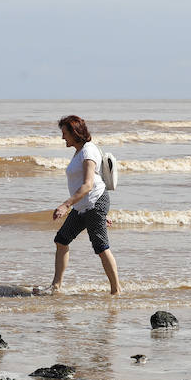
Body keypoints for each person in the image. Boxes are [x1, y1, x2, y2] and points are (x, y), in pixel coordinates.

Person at [50, 115, 121, 295]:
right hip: (84, 206)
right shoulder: (79, 151)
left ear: (75, 133)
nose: (63, 137)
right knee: (61, 240)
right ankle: (56, 286)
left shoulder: (88, 151)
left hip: (94, 202)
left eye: (65, 133)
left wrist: (65, 205)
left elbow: (89, 184)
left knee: (101, 247)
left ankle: (116, 290)